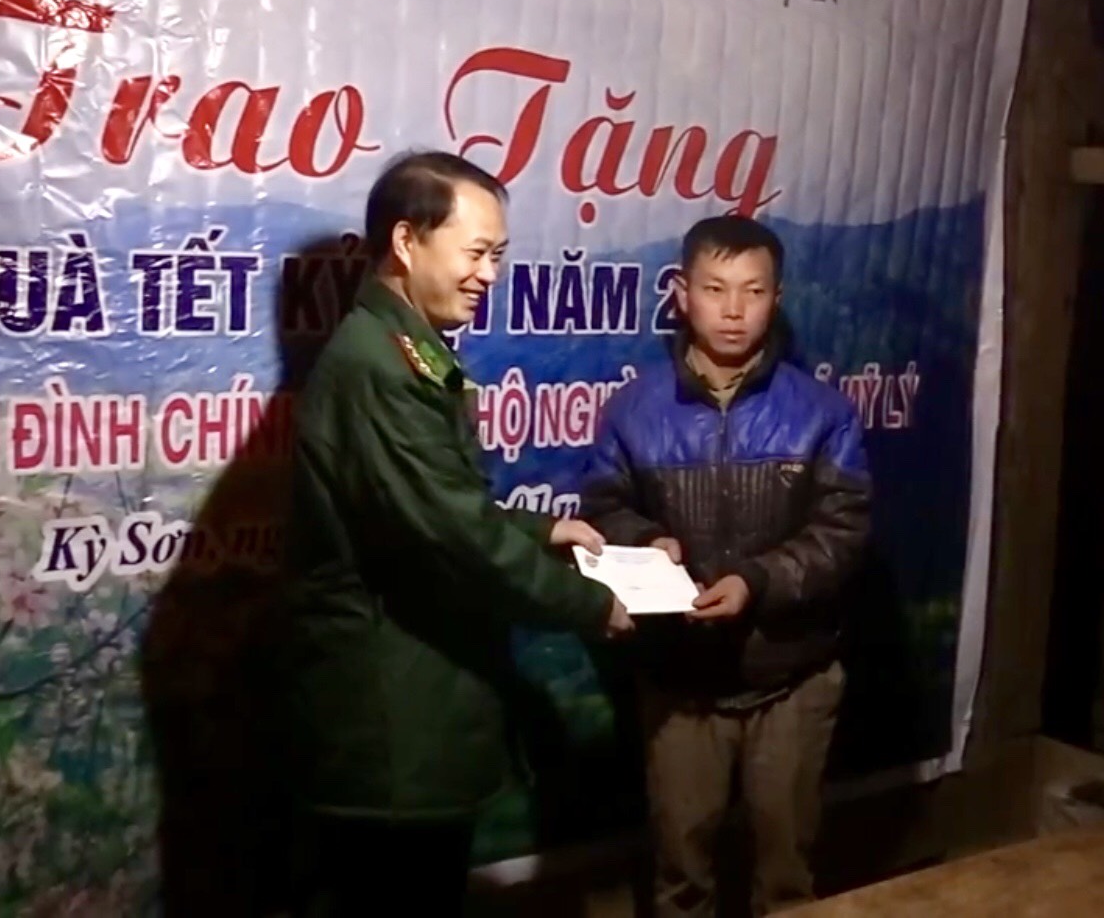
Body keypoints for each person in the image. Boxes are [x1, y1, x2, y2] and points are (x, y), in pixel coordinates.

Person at [278, 149, 633, 917]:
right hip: (393, 720)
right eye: (475, 252)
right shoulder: (380, 367)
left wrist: (542, 530)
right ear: (406, 241)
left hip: (412, 706)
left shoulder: (402, 348)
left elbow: (432, 505)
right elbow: (454, 535)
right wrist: (587, 604)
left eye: (496, 255)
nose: (488, 274)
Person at [581, 215, 871, 918]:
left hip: (793, 675)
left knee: (789, 877)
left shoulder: (823, 413)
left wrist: (756, 581)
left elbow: (843, 531)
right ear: (682, 295)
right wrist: (646, 538)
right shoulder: (632, 410)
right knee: (682, 873)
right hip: (679, 679)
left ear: (778, 297)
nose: (734, 309)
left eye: (753, 290)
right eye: (715, 289)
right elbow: (603, 506)